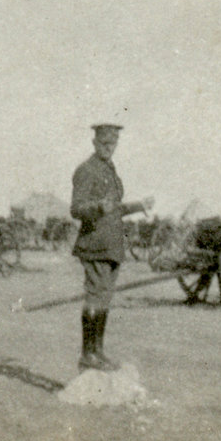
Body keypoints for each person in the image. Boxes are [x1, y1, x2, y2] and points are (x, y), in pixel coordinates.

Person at [71, 123, 154, 372]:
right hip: (95, 244)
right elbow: (76, 209)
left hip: (111, 246)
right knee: (96, 297)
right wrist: (98, 208)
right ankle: (88, 354)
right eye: (105, 144)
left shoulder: (109, 170)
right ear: (95, 143)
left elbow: (115, 207)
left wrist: (139, 205)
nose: (109, 148)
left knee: (104, 299)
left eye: (113, 144)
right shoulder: (86, 170)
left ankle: (98, 351)